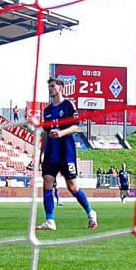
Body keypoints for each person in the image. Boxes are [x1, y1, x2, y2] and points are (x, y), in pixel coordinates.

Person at [36, 76, 97, 231]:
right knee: (47, 183)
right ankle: (50, 220)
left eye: (53, 86)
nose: (50, 89)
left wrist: (61, 133)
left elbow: (76, 127)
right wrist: (41, 154)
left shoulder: (68, 105)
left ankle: (90, 212)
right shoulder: (47, 110)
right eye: (49, 86)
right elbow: (45, 134)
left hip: (66, 152)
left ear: (61, 88)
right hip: (51, 153)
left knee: (72, 187)